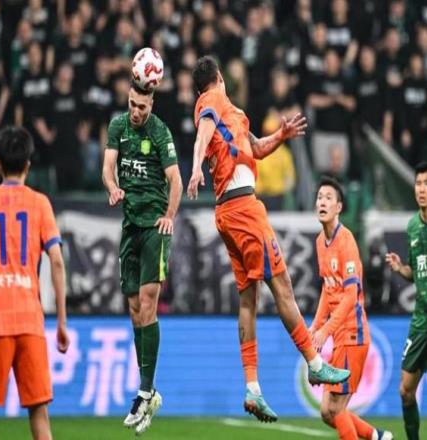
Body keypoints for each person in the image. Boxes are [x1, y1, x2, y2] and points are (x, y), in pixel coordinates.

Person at [187, 55, 350, 422]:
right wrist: (196, 168)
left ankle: (253, 388)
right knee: (283, 286)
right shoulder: (212, 100)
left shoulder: (235, 116)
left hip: (228, 212)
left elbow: (255, 148)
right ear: (219, 78)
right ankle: (315, 363)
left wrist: (282, 136)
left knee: (249, 298)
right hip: (244, 208)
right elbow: (202, 134)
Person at [0, 126, 69, 440]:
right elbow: (57, 261)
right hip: (30, 322)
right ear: (28, 164)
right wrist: (61, 322)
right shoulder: (40, 203)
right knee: (39, 416)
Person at [102, 81, 182, 435]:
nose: (136, 112)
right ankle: (148, 389)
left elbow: (175, 180)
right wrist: (112, 187)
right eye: (133, 105)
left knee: (149, 302)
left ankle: (145, 391)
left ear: (152, 105)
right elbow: (108, 167)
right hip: (130, 225)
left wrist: (170, 216)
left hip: (154, 227)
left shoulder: (160, 132)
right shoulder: (118, 126)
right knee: (134, 307)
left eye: (143, 107)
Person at [312, 176, 393, 440]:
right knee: (327, 412)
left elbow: (350, 296)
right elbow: (327, 288)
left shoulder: (346, 241)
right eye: (320, 197)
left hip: (353, 335)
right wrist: (315, 326)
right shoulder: (319, 242)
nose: (322, 202)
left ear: (339, 208)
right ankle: (376, 436)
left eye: (328, 198)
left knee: (336, 409)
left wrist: (325, 330)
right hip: (339, 338)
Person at [386, 161, 427, 440]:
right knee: (405, 390)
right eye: (418, 184)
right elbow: (416, 272)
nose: (422, 189)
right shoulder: (413, 226)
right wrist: (401, 268)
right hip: (422, 319)